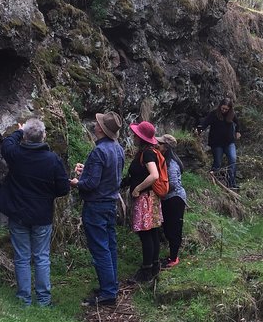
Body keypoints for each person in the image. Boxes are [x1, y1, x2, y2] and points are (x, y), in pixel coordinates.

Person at [0, 118, 70, 307]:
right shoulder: (53, 160)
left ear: (25, 137)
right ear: (44, 136)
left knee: (22, 257)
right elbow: (64, 189)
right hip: (42, 214)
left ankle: (24, 299)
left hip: (18, 213)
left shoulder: (16, 154)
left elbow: (7, 143)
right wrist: (47, 195)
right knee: (42, 257)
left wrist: (19, 131)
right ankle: (44, 300)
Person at [69, 112, 124, 307]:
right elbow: (108, 176)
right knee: (110, 246)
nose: (95, 125)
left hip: (96, 206)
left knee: (100, 248)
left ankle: (108, 293)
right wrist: (87, 171)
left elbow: (91, 184)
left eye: (97, 123)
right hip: (110, 203)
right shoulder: (118, 149)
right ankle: (111, 286)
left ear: (101, 129)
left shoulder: (99, 151)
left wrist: (76, 182)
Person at [124, 121, 163, 282]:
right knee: (152, 233)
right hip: (150, 197)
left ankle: (146, 271)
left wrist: (138, 188)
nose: (133, 137)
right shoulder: (147, 152)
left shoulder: (147, 154)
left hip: (145, 198)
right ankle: (154, 266)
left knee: (146, 234)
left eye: (136, 135)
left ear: (141, 138)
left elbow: (154, 175)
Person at [197, 97, 241, 190]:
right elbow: (205, 123)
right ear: (220, 106)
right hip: (216, 143)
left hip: (229, 142)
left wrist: (238, 131)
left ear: (229, 109)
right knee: (217, 162)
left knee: (233, 160)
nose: (224, 110)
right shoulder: (214, 114)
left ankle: (232, 183)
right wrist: (199, 130)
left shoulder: (232, 114)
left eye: (226, 109)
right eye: (222, 108)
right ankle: (213, 182)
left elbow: (237, 123)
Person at [156, 134, 187, 269]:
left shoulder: (171, 164)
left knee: (174, 229)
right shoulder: (166, 160)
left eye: (161, 144)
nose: (158, 145)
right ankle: (172, 256)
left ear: (166, 147)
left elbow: (173, 183)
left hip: (175, 199)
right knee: (168, 228)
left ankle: (174, 258)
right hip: (169, 198)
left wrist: (159, 188)